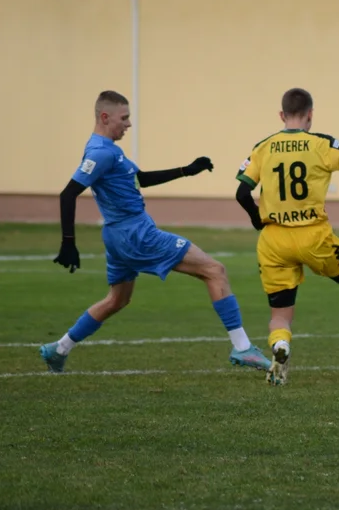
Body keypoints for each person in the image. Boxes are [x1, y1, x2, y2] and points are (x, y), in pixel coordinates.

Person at [40, 90, 272, 374]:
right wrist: (68, 242)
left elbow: (140, 179)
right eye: (124, 118)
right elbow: (68, 193)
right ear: (105, 117)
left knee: (117, 299)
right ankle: (242, 347)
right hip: (136, 234)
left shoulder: (108, 150)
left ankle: (59, 349)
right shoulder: (100, 152)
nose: (128, 124)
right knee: (215, 270)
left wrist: (186, 170)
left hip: (117, 235)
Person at [234, 87, 339, 386]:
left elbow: (242, 192)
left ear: (282, 115)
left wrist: (257, 219)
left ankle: (281, 345)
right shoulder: (322, 144)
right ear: (310, 115)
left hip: (273, 241)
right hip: (314, 237)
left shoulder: (263, 146)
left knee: (281, 312)